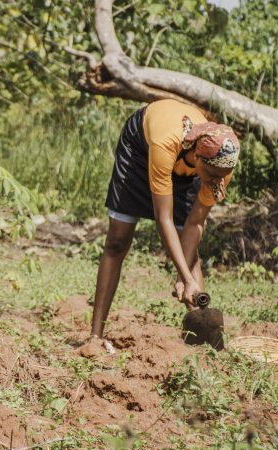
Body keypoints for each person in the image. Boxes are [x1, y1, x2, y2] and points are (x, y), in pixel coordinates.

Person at [90, 99, 240, 340]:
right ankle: (95, 337)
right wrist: (185, 277)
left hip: (184, 163)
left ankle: (202, 343)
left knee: (190, 256)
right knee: (118, 240)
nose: (215, 183)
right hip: (141, 149)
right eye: (211, 176)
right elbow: (164, 219)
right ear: (198, 157)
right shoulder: (165, 143)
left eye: (220, 178)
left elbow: (195, 224)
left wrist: (185, 278)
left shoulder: (221, 166)